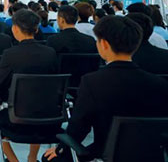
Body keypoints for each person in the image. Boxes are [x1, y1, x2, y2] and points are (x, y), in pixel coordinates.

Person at [43, 16, 168, 162]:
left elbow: (79, 127)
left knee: (50, 158)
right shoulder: (159, 83)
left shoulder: (93, 82)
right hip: (152, 154)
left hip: (107, 152)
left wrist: (61, 148)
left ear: (104, 44)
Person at [0, 9, 58, 162]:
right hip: (47, 118)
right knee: (36, 105)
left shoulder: (10, 54)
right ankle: (32, 157)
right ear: (36, 29)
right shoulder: (50, 53)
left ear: (15, 29)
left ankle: (13, 159)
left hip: (15, 119)